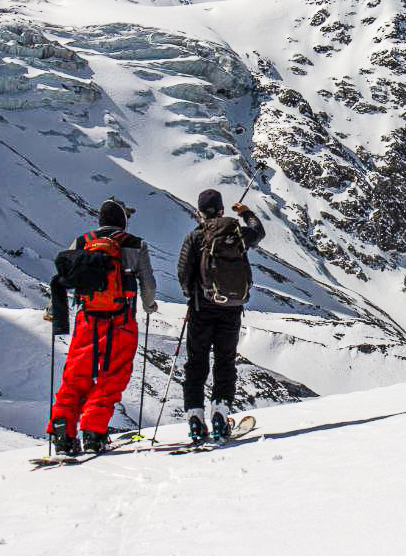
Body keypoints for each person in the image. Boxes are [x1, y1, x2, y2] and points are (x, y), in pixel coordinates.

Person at [47, 197, 157, 454]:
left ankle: (63, 430)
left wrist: (54, 310)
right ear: (123, 221)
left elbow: (66, 276)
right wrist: (149, 306)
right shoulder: (135, 244)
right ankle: (94, 433)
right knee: (112, 377)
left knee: (76, 376)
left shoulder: (82, 241)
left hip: (87, 319)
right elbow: (148, 284)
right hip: (121, 320)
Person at [176, 189, 265, 441]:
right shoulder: (238, 234)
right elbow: (259, 231)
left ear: (199, 212)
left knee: (196, 363)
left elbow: (183, 274)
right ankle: (221, 413)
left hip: (201, 309)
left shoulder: (195, 237)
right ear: (222, 209)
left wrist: (192, 295)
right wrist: (245, 212)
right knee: (225, 362)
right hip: (232, 309)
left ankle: (195, 418)